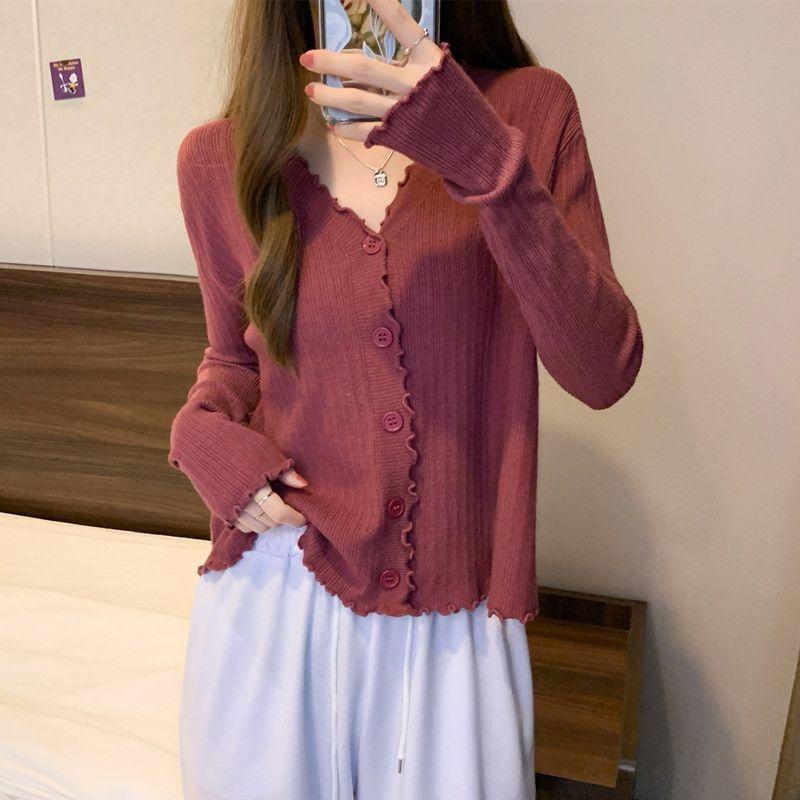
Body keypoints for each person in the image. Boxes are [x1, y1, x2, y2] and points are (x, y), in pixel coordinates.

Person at [169, 0, 644, 798]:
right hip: (275, 598)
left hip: (455, 616)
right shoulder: (219, 157)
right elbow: (233, 357)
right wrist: (198, 431)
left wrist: (480, 156)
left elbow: (605, 370)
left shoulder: (529, 111)